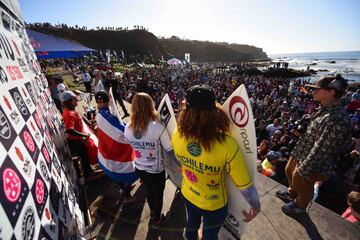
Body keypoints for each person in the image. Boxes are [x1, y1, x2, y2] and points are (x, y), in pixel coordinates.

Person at [172, 85, 260, 240]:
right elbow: (245, 186)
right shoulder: (227, 145)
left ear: (186, 110)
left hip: (188, 193)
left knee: (191, 225)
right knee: (210, 235)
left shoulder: (177, 133)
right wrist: (255, 205)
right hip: (213, 205)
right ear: (214, 112)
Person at [276, 75, 352, 215]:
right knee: (289, 170)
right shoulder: (324, 108)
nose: (313, 91)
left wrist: (305, 167)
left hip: (313, 161)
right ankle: (292, 194)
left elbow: (322, 149)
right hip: (302, 151)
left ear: (331, 92)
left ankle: (300, 205)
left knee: (302, 182)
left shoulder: (336, 118)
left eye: (318, 89)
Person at [124, 92, 173, 227]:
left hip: (139, 167)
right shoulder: (157, 127)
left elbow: (133, 145)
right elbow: (169, 149)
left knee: (149, 191)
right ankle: (157, 219)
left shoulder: (127, 128)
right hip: (156, 170)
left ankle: (152, 212)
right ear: (151, 105)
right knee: (158, 194)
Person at [95, 91, 137, 203]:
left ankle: (124, 188)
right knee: (130, 173)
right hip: (115, 153)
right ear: (108, 101)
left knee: (118, 174)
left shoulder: (99, 114)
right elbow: (122, 132)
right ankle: (127, 196)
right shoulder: (106, 116)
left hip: (107, 150)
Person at [60, 91, 98, 182]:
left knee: (86, 157)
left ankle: (90, 172)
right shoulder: (69, 113)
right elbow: (69, 129)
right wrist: (84, 135)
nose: (77, 100)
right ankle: (88, 176)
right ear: (69, 101)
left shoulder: (71, 110)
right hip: (76, 142)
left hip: (78, 140)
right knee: (84, 158)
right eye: (74, 99)